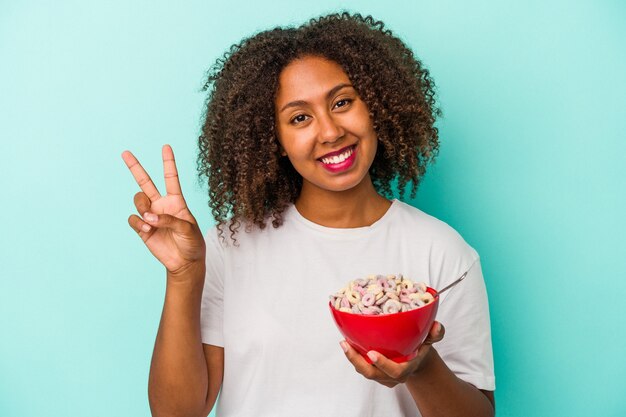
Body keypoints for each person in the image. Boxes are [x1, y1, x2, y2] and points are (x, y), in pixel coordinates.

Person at [122, 12, 495, 417]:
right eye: (300, 118)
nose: (330, 131)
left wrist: (420, 368)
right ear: (275, 139)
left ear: (375, 105)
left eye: (342, 102)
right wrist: (183, 278)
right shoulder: (229, 248)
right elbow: (177, 413)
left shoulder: (441, 251)